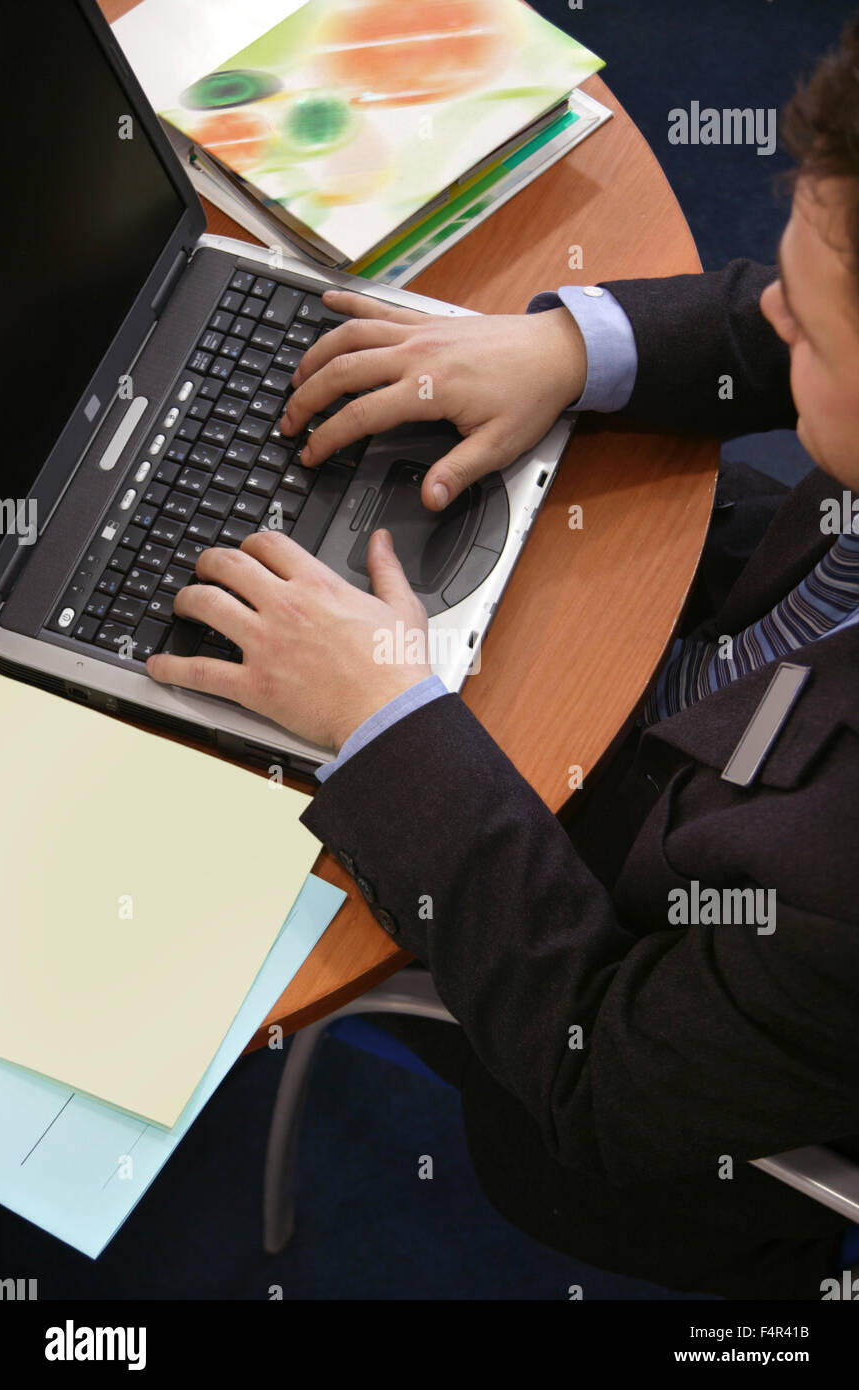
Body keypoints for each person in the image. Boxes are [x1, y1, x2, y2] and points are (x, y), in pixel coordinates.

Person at [147, 20, 859, 1298]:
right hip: (739, 659)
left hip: (623, 1004)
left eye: (806, 325)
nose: (769, 311)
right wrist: (569, 346)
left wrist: (389, 724)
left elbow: (598, 1072)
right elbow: (778, 301)